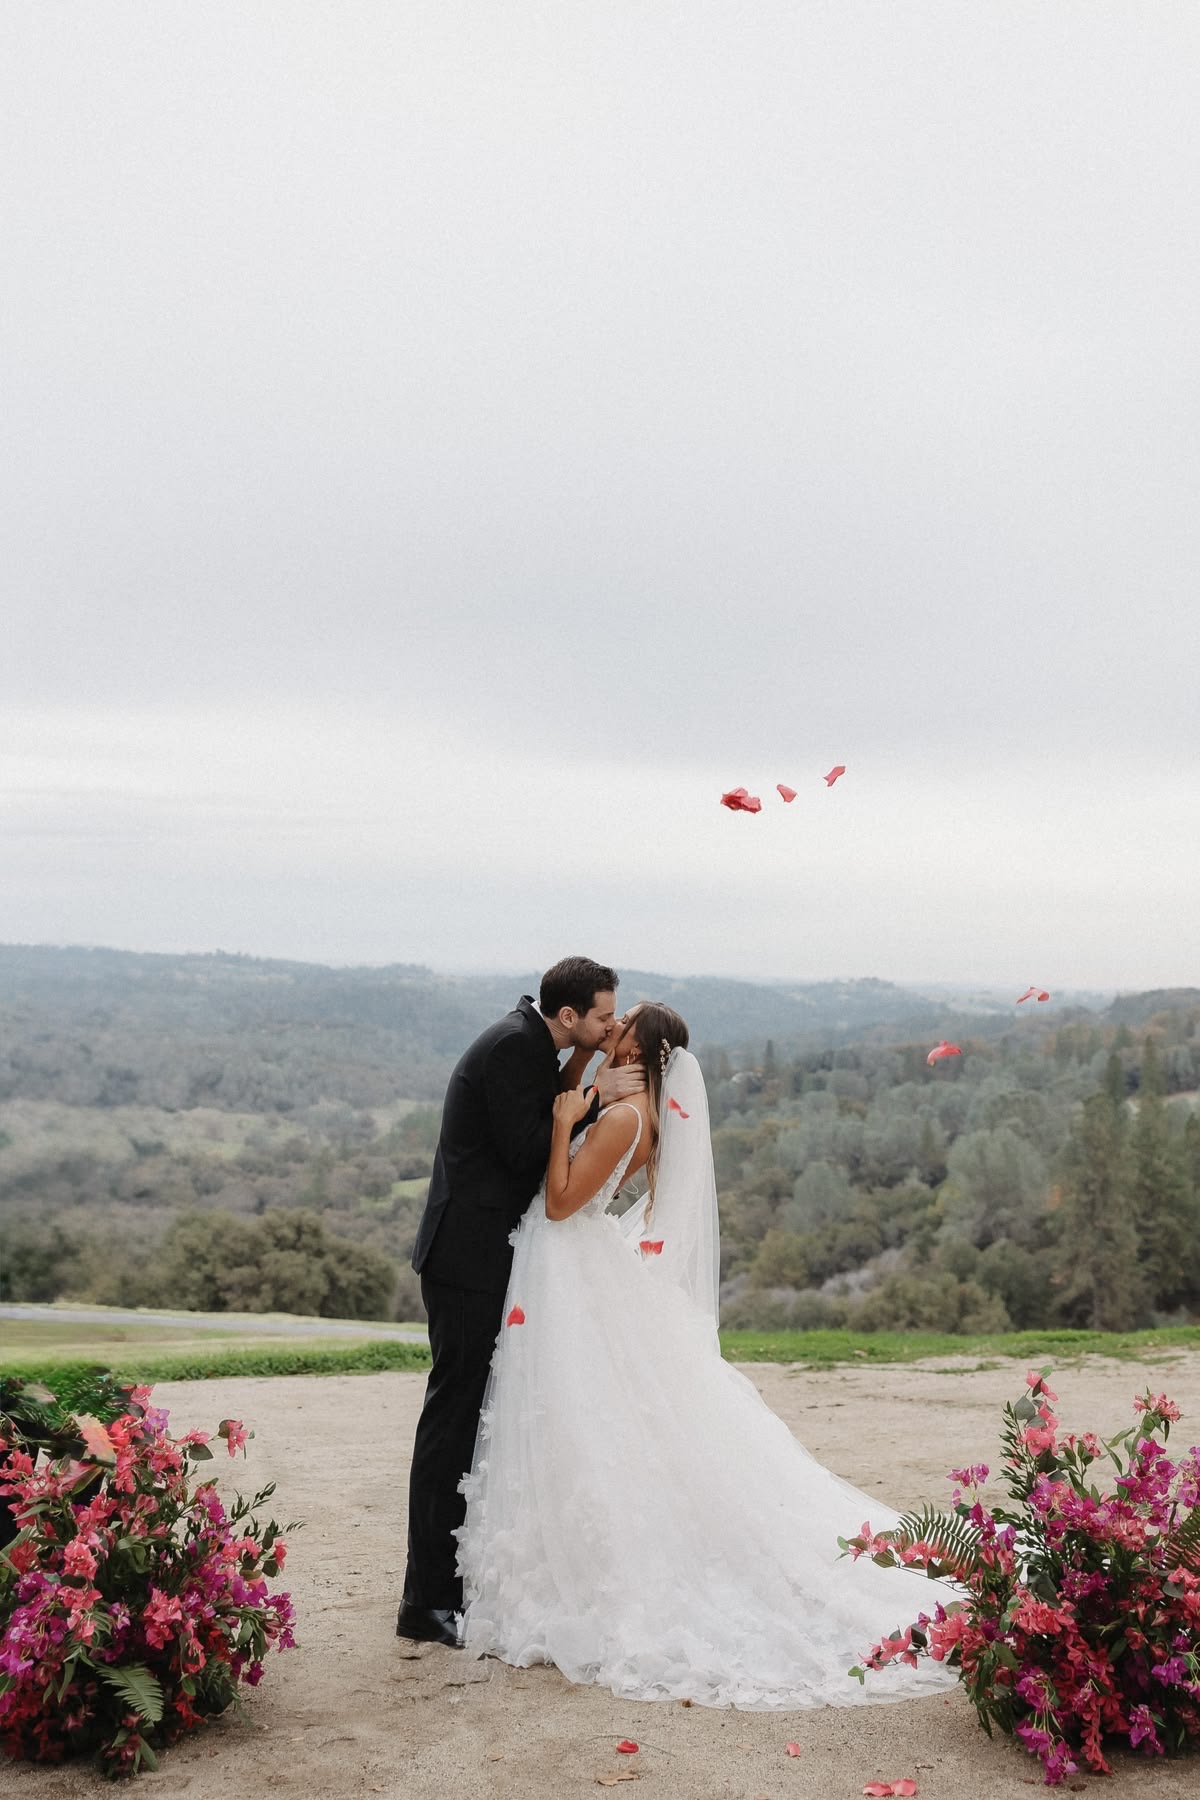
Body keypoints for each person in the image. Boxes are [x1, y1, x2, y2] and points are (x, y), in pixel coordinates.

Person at [454, 1003, 956, 1708]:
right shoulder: (636, 1113)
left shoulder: (626, 1121)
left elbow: (564, 1201)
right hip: (570, 1269)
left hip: (567, 1261)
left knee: (577, 1412)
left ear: (639, 1049)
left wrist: (568, 1120)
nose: (610, 1029)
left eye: (620, 1025)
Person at [398, 956, 644, 1648]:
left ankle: (452, 1582)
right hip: (465, 1261)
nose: (608, 1025)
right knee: (451, 1422)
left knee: (472, 1420)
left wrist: (587, 1079)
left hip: (482, 1258)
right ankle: (424, 1602)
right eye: (601, 1016)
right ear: (569, 1016)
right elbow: (529, 1148)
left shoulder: (535, 1042)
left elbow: (543, 1111)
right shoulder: (514, 1047)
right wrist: (598, 1097)